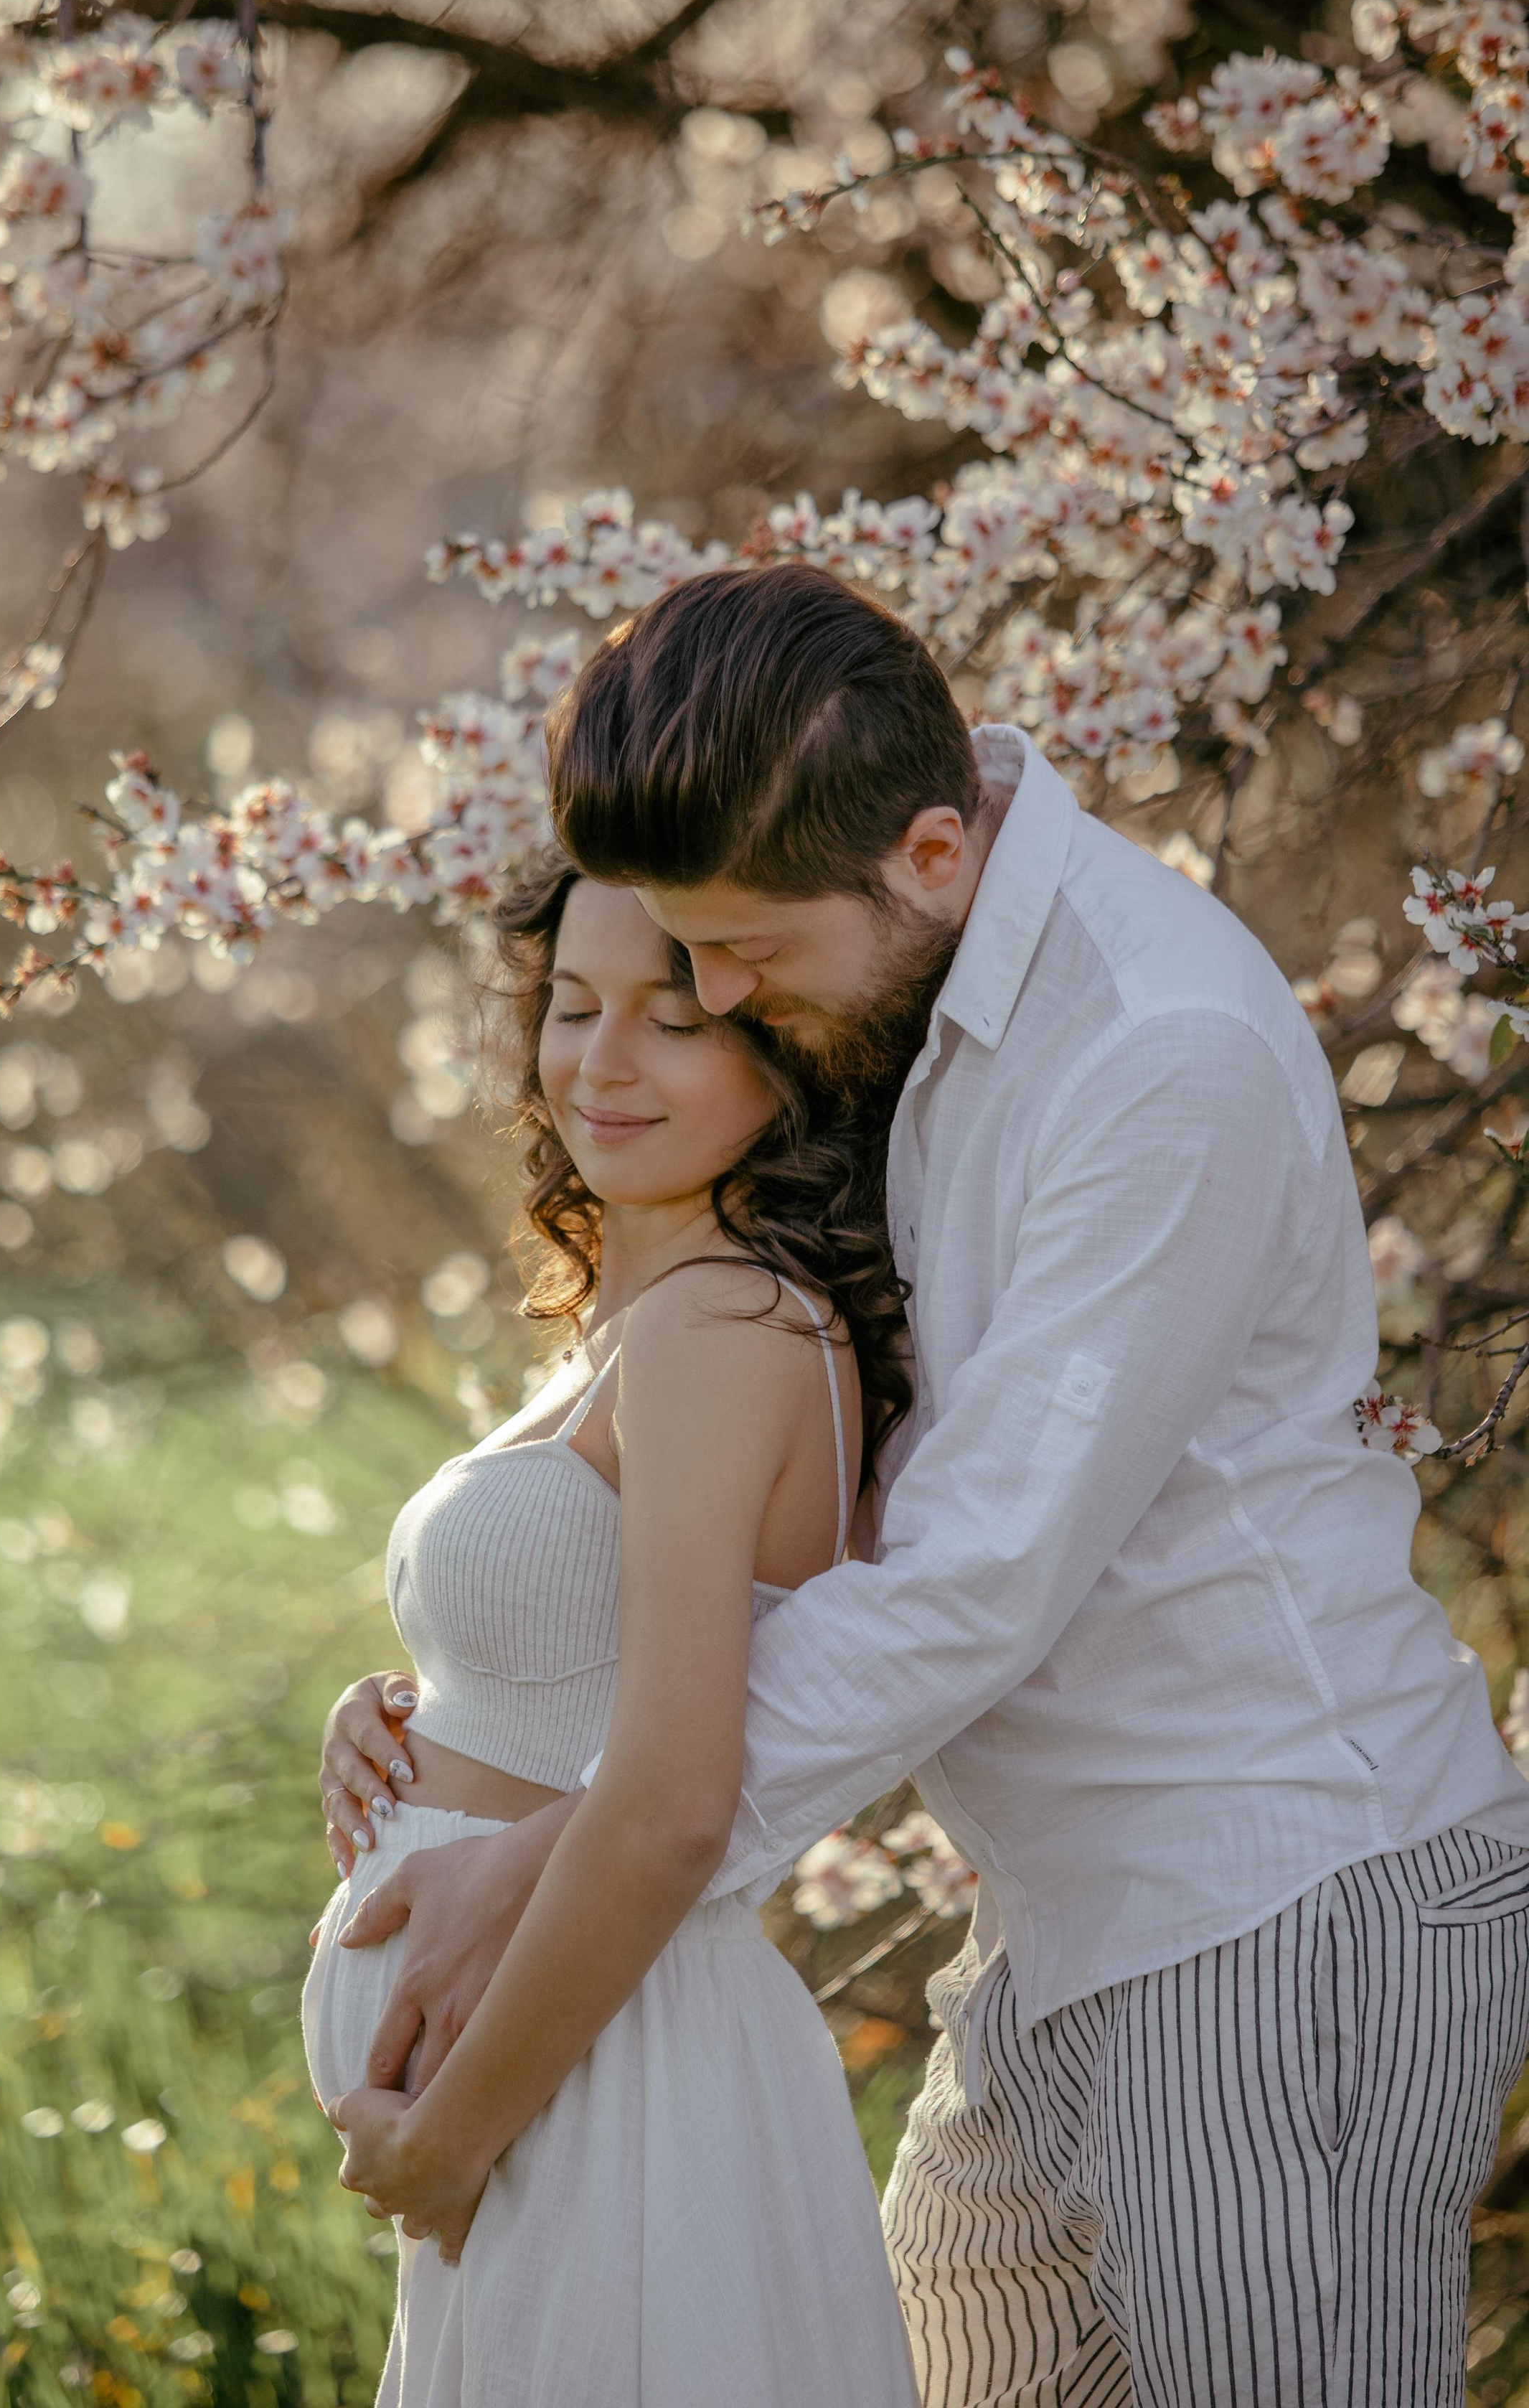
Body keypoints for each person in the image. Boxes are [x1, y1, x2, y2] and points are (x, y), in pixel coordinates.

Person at [324, 560, 1529, 2408]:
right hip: (1055, 1922)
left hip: (1281, 1911)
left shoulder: (1154, 1056)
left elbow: (974, 1575)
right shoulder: (901, 991)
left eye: (740, 954)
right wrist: (474, 1727)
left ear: (931, 855)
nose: (710, 994)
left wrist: (559, 1861)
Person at [300, 854, 920, 2406]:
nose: (602, 1059)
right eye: (572, 1007)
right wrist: (415, 1729)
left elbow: (667, 1808)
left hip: (598, 2083)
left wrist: (447, 2143)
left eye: (672, 1016)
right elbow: (596, 1688)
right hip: (565, 2078)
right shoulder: (650, 1324)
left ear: (779, 1047)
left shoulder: (720, 1331)